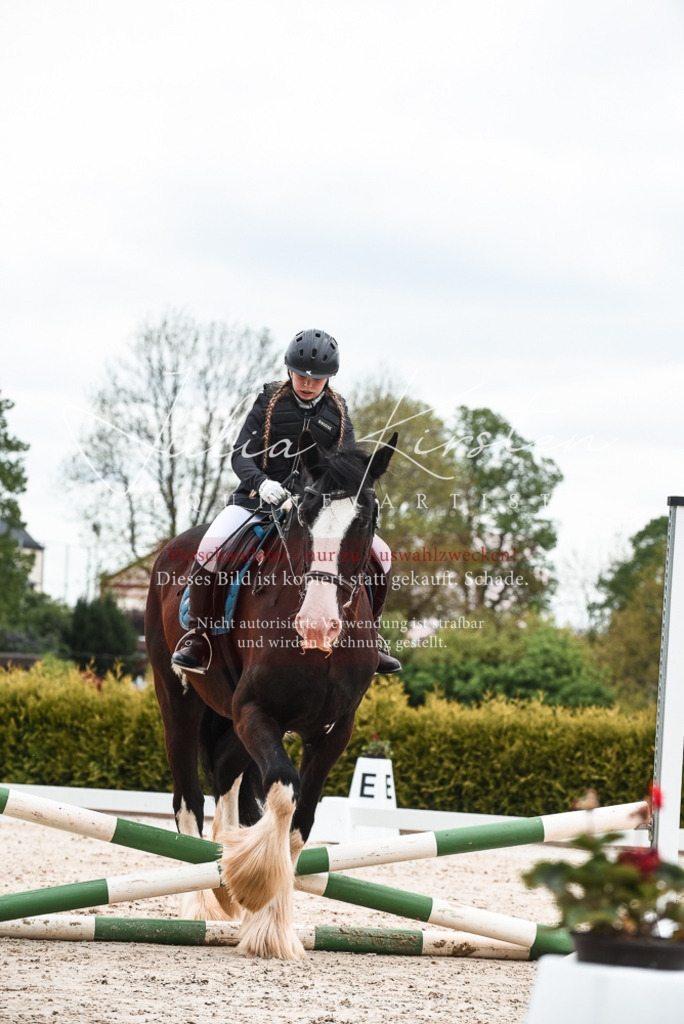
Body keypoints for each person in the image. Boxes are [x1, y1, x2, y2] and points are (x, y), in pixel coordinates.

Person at [171, 328, 401, 675]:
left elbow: (348, 468)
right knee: (209, 550)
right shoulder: (268, 402)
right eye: (301, 374)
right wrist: (262, 484)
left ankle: (371, 636)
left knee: (381, 555)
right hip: (256, 503)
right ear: (288, 369)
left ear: (329, 378)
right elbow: (240, 456)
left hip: (314, 512)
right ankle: (198, 636)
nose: (308, 383)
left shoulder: (338, 413)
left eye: (317, 378)